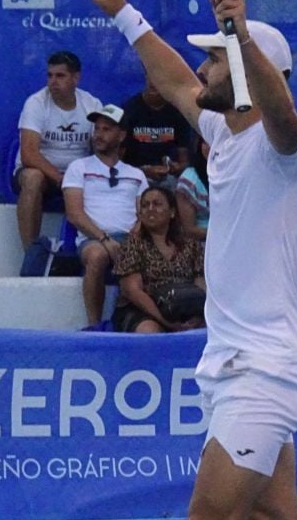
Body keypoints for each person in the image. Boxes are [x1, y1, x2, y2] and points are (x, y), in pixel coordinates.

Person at [87, 0, 297, 520]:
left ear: (252, 72)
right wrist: (124, 14)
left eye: (214, 57)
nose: (202, 67)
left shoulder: (288, 145)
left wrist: (243, 34)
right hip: (233, 366)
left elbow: (280, 110)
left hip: (266, 369)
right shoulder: (224, 134)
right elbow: (172, 78)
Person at [62, 104, 147, 328]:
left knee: (141, 256)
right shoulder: (78, 167)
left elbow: (144, 215)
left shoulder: (136, 175)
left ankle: (131, 322)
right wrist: (104, 238)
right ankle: (94, 325)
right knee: (98, 256)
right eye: (97, 129)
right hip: (94, 239)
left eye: (106, 130)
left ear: (121, 136)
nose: (98, 135)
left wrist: (132, 240)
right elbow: (74, 214)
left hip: (129, 238)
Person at [14, 50, 103, 250]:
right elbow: (28, 154)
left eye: (60, 76)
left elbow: (100, 148)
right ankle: (31, 253)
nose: (53, 81)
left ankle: (93, 248)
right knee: (33, 179)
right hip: (43, 173)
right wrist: (60, 178)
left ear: (76, 78)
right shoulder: (36, 103)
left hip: (78, 173)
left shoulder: (92, 105)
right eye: (50, 75)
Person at [112, 185, 207, 333]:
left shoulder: (191, 245)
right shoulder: (132, 244)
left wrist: (198, 317)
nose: (150, 208)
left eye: (157, 204)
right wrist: (167, 323)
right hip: (142, 311)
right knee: (149, 331)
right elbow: (132, 291)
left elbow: (200, 285)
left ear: (172, 212)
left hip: (185, 308)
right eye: (145, 205)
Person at [120, 71, 192, 189]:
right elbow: (118, 162)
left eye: (160, 78)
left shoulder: (178, 111)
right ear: (146, 77)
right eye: (151, 76)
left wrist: (176, 167)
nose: (154, 82)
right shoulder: (129, 110)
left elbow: (185, 161)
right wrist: (143, 171)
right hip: (135, 176)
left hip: (170, 180)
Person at [175, 134, 210, 241]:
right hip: (203, 244)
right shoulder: (189, 179)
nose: (210, 147)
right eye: (206, 142)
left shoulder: (238, 175)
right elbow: (189, 230)